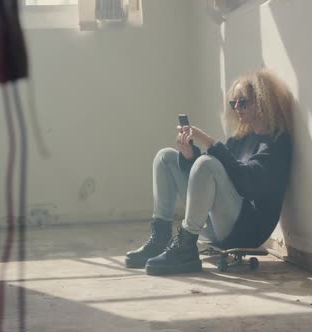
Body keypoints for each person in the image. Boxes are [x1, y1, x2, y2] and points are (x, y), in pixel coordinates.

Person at [125, 69, 294, 276]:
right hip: (214, 223)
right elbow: (210, 178)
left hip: (246, 230)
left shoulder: (277, 142)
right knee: (166, 157)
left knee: (207, 162)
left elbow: (248, 184)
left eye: (243, 102)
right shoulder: (240, 139)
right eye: (234, 103)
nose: (237, 108)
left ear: (262, 101)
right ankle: (160, 239)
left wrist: (209, 142)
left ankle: (186, 249)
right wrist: (189, 155)